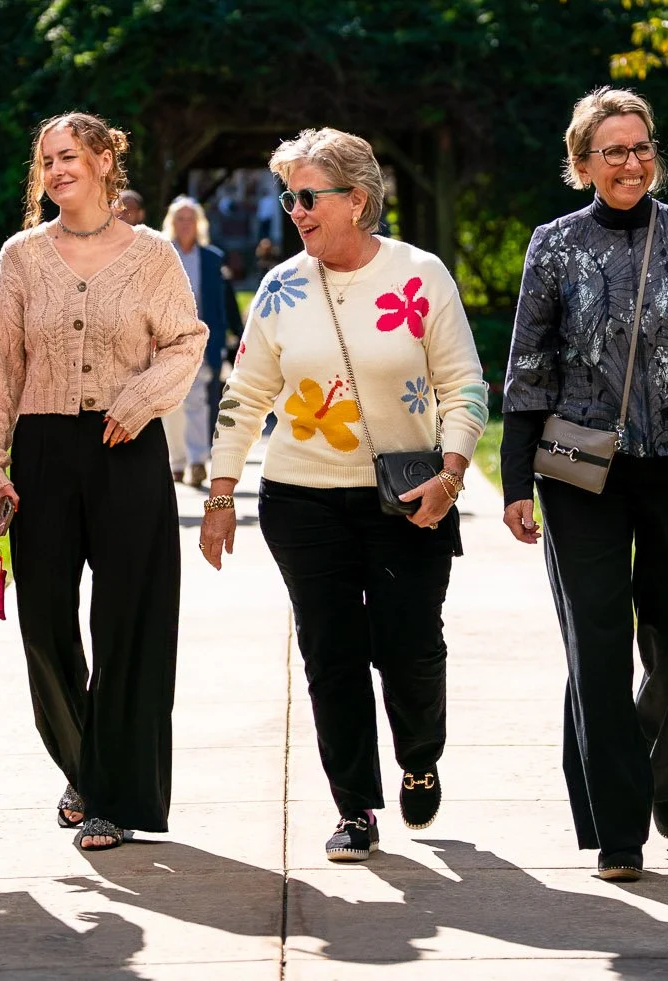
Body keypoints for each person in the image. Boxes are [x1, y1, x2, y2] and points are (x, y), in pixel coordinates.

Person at [499, 87, 668, 883]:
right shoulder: (553, 245)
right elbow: (529, 366)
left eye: (641, 146)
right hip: (581, 469)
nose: (631, 161)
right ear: (581, 163)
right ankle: (619, 827)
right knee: (598, 637)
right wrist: (516, 478)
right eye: (612, 150)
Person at [200, 128, 489, 864]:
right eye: (287, 196)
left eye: (307, 195)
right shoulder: (281, 286)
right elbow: (245, 393)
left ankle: (420, 755)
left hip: (409, 499)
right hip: (302, 500)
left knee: (410, 647)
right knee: (331, 654)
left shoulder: (420, 274)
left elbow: (465, 386)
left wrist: (452, 473)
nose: (293, 210)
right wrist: (222, 490)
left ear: (356, 200)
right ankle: (355, 806)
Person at [0, 112, 206, 852]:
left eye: (68, 156)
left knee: (129, 625)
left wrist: (139, 401)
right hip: (42, 449)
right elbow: (0, 366)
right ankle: (87, 765)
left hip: (125, 446)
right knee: (43, 623)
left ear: (107, 161)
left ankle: (111, 794)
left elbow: (187, 341)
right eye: (45, 161)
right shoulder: (20, 256)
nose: (55, 171)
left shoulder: (152, 254)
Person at [161, 195, 237, 487]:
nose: (185, 224)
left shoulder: (211, 258)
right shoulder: (163, 254)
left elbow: (219, 305)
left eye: (190, 218)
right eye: (179, 218)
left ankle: (196, 462)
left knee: (198, 403)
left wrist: (224, 339)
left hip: (202, 341)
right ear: (172, 223)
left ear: (198, 224)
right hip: (168, 342)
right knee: (172, 406)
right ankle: (176, 462)